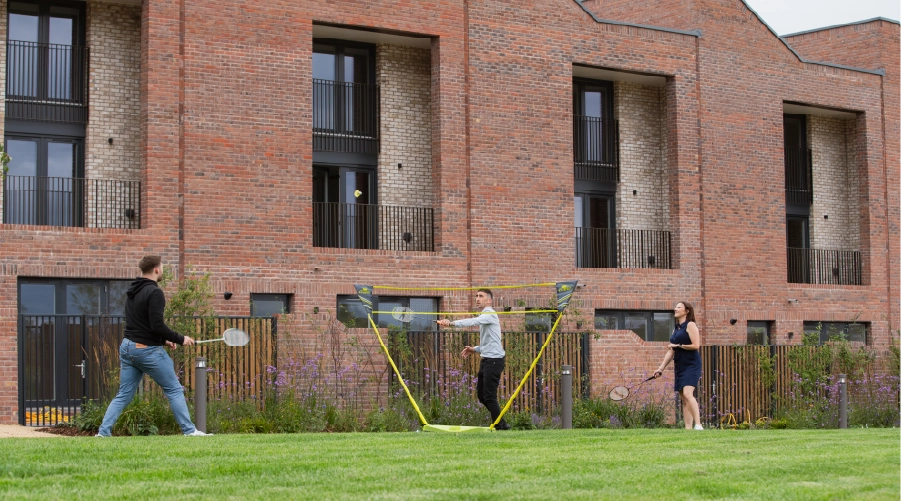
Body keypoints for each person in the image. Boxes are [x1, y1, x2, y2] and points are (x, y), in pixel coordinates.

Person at [97, 255, 210, 437]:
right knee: (173, 389)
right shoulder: (154, 292)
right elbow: (157, 325)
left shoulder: (132, 291)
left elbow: (141, 325)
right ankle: (190, 431)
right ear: (157, 269)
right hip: (146, 350)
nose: (163, 270)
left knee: (124, 394)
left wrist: (163, 340)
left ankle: (103, 433)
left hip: (128, 347)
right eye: (162, 267)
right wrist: (181, 338)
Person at [437, 289, 511, 430]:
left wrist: (451, 324)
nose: (477, 298)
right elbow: (490, 342)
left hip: (494, 361)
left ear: (489, 300)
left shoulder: (489, 313)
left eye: (481, 296)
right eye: (476, 296)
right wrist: (475, 349)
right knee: (482, 397)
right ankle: (501, 424)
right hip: (486, 359)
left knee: (489, 396)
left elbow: (472, 321)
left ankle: (501, 426)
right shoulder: (485, 315)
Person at [654, 301, 703, 430]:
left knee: (688, 393)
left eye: (679, 307)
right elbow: (671, 351)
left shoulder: (691, 325)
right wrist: (661, 368)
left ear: (686, 311)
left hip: (692, 364)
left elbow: (696, 345)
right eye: (675, 307)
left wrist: (678, 346)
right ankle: (688, 428)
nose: (675, 309)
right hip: (680, 365)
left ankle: (698, 424)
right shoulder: (676, 328)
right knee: (684, 398)